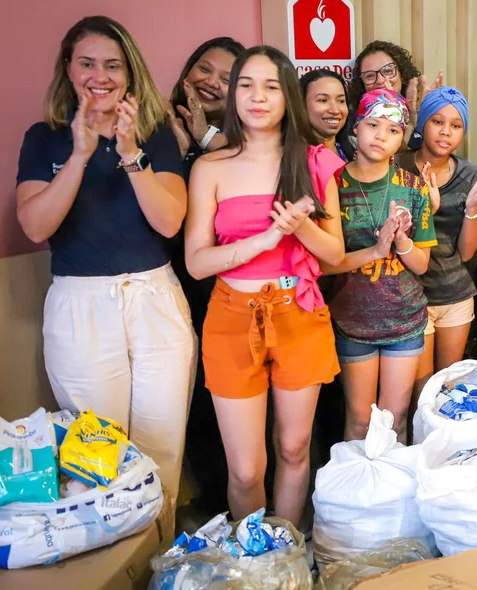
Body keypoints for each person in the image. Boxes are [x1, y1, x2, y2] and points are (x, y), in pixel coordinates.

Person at [15, 16, 193, 507]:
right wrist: (79, 155)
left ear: (130, 73)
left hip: (155, 299)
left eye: (113, 65)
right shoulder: (43, 137)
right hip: (80, 306)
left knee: (162, 448)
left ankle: (159, 562)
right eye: (87, 63)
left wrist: (130, 151)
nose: (101, 75)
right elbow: (35, 226)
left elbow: (170, 221)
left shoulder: (154, 135)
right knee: (98, 455)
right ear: (68, 71)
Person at [184, 46, 345, 524]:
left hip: (299, 309)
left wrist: (301, 230)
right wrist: (267, 238)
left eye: (271, 86)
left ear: (288, 96)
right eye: (246, 85)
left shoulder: (315, 161)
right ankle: (251, 561)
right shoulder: (209, 168)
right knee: (246, 468)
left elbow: (334, 254)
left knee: (295, 449)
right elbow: (196, 262)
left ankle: (286, 552)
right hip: (233, 316)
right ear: (234, 96)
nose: (258, 97)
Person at [322, 89, 437, 442]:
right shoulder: (333, 183)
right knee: (358, 420)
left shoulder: (413, 187)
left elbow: (421, 265)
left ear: (402, 138)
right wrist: (376, 248)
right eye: (373, 124)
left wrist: (401, 242)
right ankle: (356, 495)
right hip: (351, 319)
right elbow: (324, 263)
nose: (381, 136)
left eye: (392, 130)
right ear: (356, 128)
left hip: (404, 320)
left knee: (394, 419)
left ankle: (392, 496)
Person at [165, 36, 245, 514]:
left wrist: (202, 142)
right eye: (204, 69)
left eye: (226, 76)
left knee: (234, 392)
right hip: (173, 282)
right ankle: (213, 497)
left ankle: (244, 497)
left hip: (232, 283)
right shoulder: (155, 129)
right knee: (191, 395)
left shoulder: (245, 138)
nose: (212, 82)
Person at [395, 87, 477, 412]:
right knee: (418, 394)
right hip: (409, 294)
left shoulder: (470, 174)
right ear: (422, 123)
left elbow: (466, 252)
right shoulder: (397, 164)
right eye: (437, 121)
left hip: (454, 294)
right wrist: (425, 210)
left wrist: (472, 209)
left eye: (456, 125)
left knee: (447, 391)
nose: (446, 132)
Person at [348, 41, 443, 151]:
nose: (380, 80)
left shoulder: (421, 111)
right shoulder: (356, 121)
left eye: (387, 71)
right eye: (369, 75)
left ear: (402, 74)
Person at [168, 37, 245, 167]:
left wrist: (206, 136)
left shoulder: (248, 140)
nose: (211, 82)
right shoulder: (160, 120)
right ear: (188, 71)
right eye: (204, 69)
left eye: (226, 80)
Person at [301, 69, 354, 162]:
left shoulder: (356, 149)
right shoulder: (292, 157)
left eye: (341, 101)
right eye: (323, 100)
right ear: (302, 105)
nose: (335, 110)